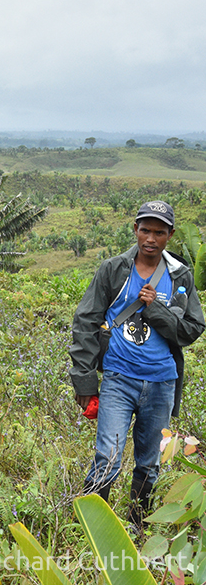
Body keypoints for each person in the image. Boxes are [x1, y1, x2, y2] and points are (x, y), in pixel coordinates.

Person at [70, 200, 205, 523]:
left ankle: (137, 525)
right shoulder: (113, 270)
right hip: (119, 377)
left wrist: (155, 310)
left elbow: (191, 329)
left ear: (170, 235)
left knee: (149, 462)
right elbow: (85, 322)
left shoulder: (179, 275)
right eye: (145, 230)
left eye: (159, 232)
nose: (151, 238)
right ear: (135, 229)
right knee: (108, 457)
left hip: (162, 382)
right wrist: (85, 381)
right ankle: (91, 526)